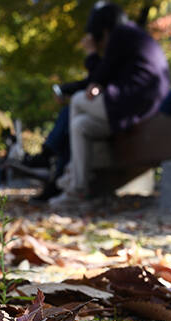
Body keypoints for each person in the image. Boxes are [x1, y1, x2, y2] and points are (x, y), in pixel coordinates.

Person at [49, 2, 171, 206]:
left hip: (134, 104)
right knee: (81, 125)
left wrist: (90, 54)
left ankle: (74, 184)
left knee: (79, 100)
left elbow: (99, 76)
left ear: (103, 31)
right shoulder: (133, 37)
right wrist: (73, 87)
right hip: (139, 105)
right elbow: (101, 78)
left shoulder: (121, 34)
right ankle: (75, 182)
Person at [18, 34, 103, 203]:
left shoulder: (110, 53)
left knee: (71, 114)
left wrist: (93, 53)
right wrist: (64, 89)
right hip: (100, 110)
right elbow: (89, 81)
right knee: (69, 125)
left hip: (114, 111)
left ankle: (48, 156)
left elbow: (96, 79)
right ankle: (55, 178)